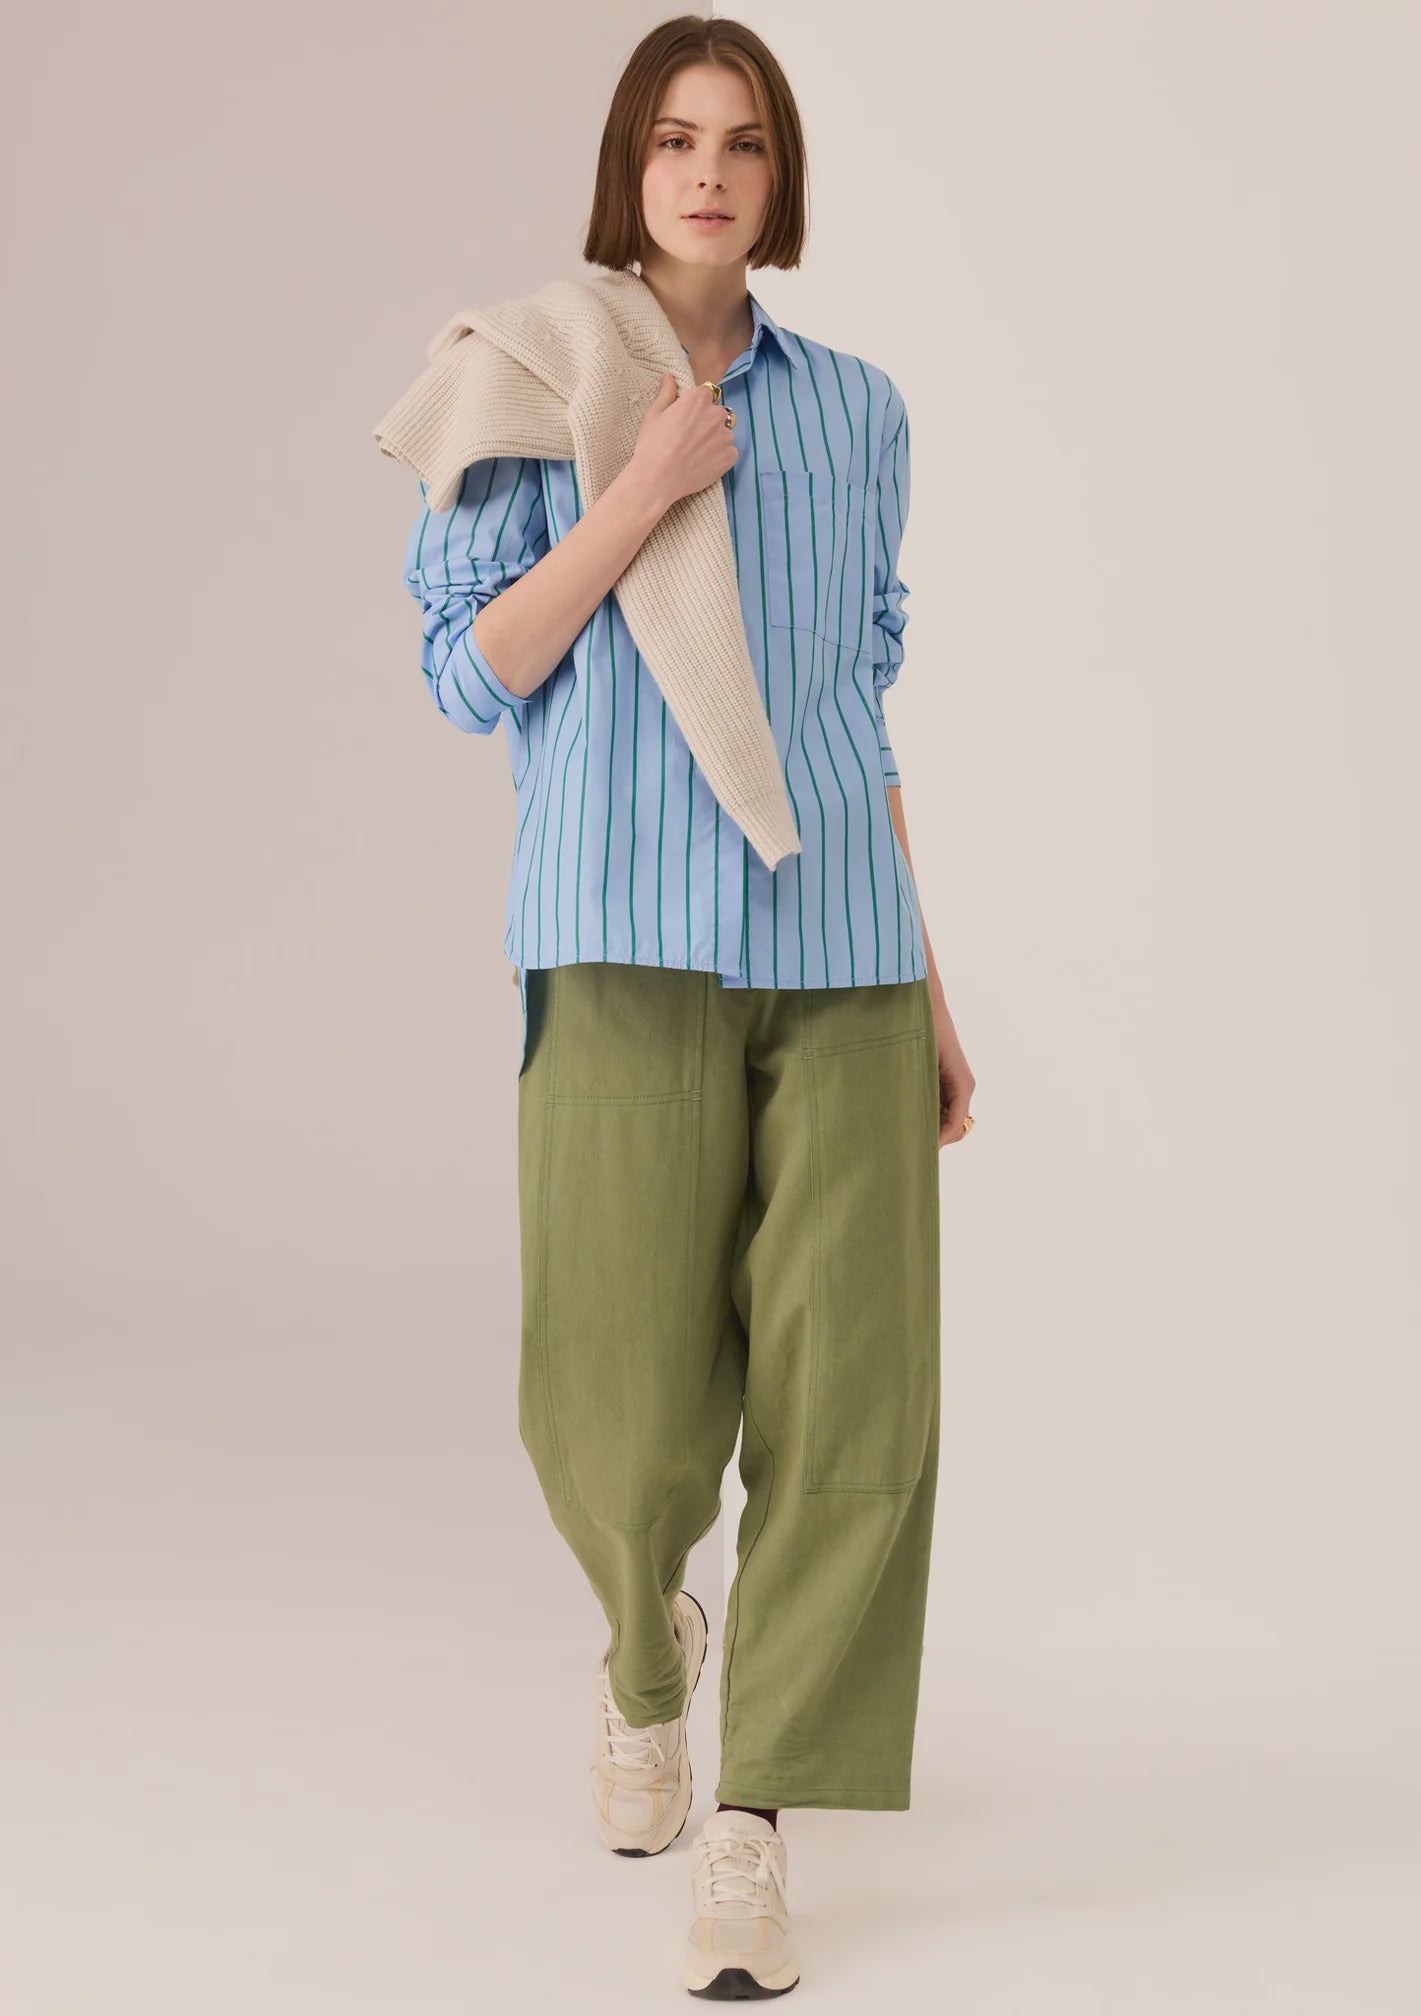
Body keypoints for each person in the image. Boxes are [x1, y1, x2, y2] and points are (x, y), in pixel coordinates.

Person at [399, 14, 977, 2000]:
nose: (709, 172)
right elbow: (467, 673)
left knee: (851, 1404)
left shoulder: (861, 411)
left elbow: (855, 707)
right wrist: (636, 489)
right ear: (625, 171)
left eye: (742, 141)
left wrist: (932, 976)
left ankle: (757, 1819)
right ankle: (649, 1654)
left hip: (844, 955)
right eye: (672, 138)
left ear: (779, 175)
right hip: (618, 937)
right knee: (616, 1401)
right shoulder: (531, 374)